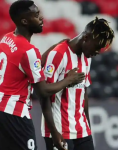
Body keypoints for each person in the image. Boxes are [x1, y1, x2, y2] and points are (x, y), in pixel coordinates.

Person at [0, 1, 85, 150]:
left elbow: (30, 65)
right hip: (15, 113)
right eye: (36, 15)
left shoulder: (6, 39)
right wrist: (69, 80)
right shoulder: (28, 50)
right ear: (24, 21)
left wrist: (54, 48)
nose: (41, 18)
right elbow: (43, 90)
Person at [41, 17, 114, 150]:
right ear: (86, 38)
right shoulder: (58, 54)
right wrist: (53, 132)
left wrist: (88, 127)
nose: (98, 52)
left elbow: (83, 93)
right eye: (97, 47)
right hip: (59, 129)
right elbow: (43, 93)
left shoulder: (87, 57)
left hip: (82, 130)